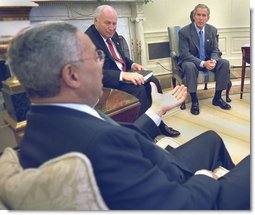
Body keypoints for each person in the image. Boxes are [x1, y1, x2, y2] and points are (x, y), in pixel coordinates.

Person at [7, 21, 250, 210]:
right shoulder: (102, 144)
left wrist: (156, 111)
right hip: (185, 192)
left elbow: (117, 138)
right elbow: (179, 206)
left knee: (212, 138)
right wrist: (205, 179)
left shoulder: (41, 122)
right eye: (96, 56)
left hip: (156, 167)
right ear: (72, 75)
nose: (101, 65)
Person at [85, 5, 180, 137]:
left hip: (123, 75)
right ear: (95, 21)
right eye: (107, 23)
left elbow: (120, 57)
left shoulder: (113, 34)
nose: (112, 27)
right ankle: (145, 133)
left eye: (114, 23)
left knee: (153, 80)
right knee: (140, 89)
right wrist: (124, 75)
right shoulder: (87, 40)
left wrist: (133, 64)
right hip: (107, 83)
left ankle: (159, 122)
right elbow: (93, 73)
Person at [178, 4, 231, 115]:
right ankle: (194, 100)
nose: (201, 18)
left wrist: (213, 61)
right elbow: (184, 54)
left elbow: (215, 50)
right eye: (198, 15)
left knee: (224, 63)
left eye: (204, 15)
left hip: (207, 60)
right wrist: (203, 63)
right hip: (191, 61)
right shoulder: (184, 32)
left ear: (208, 18)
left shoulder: (212, 30)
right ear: (193, 16)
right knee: (189, 66)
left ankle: (217, 98)